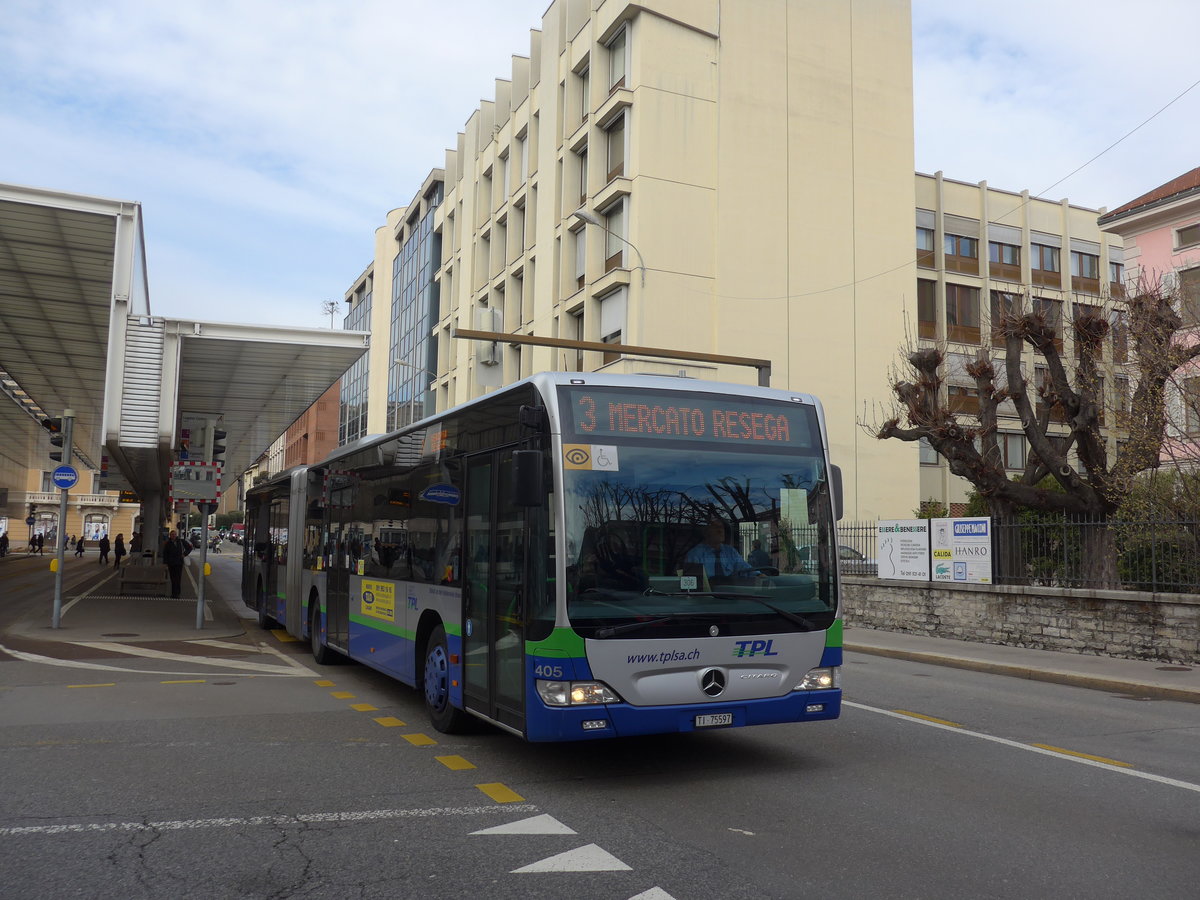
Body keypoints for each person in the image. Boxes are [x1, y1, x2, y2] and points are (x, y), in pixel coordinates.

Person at [685, 518, 752, 578]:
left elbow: (744, 567)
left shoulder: (730, 551)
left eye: (722, 527)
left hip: (730, 591)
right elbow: (693, 580)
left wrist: (758, 575)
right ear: (706, 532)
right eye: (716, 527)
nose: (720, 531)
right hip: (706, 591)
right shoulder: (695, 554)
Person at [161, 530, 190, 598]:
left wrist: (184, 554)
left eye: (174, 534)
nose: (173, 536)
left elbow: (189, 548)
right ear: (170, 536)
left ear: (176, 535)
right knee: (173, 579)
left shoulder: (181, 542)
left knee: (178, 578)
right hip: (171, 563)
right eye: (172, 535)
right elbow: (165, 554)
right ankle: (173, 593)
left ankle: (177, 593)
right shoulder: (168, 543)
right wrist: (165, 564)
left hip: (179, 563)